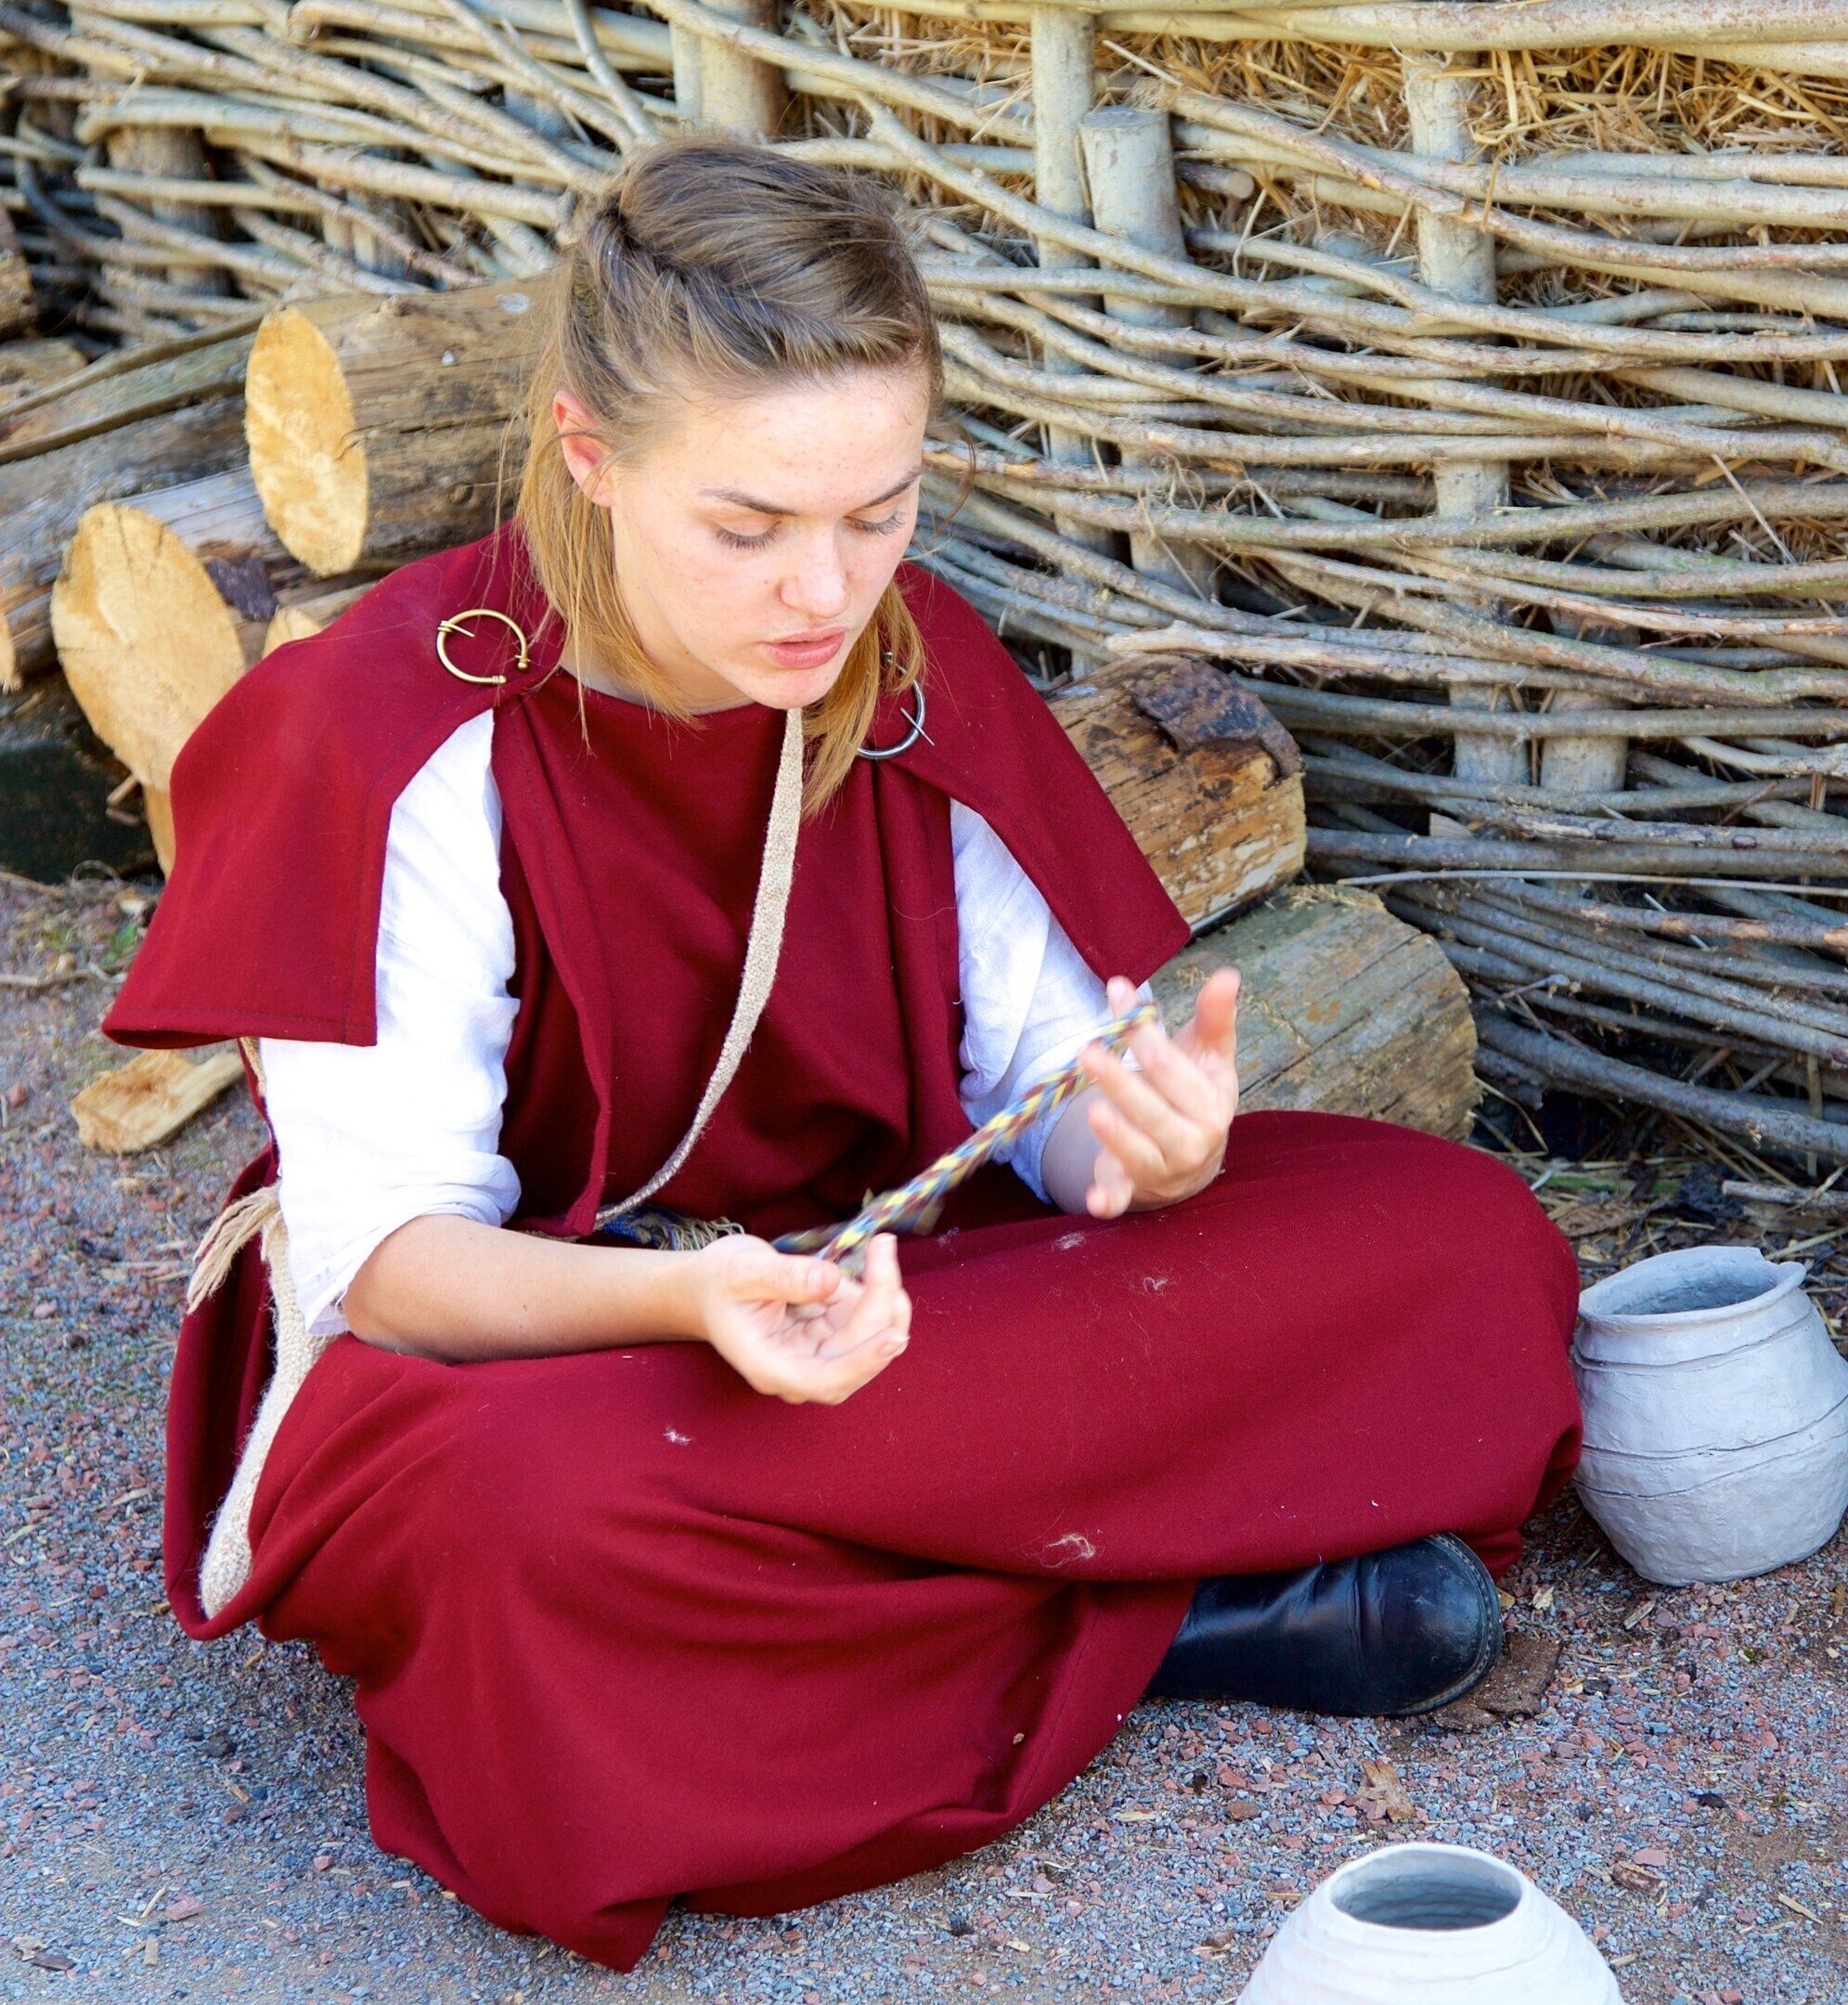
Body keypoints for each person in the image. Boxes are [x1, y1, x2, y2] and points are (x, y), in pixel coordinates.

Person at [105, 139, 1582, 1973]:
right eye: (748, 527)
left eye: (875, 512)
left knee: (1462, 1245)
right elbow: (388, 1269)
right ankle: (1180, 1614)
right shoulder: (393, 730)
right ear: (589, 453)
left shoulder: (902, 664)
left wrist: (1144, 1154)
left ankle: (889, 1620)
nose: (824, 588)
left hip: (894, 1300)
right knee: (523, 1527)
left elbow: (1056, 1101)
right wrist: (693, 1308)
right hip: (543, 1350)